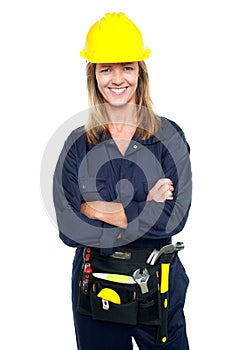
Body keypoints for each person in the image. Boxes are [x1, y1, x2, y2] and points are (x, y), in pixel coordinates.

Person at [53, 12, 192, 350]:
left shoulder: (169, 138)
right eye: (106, 68)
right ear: (94, 75)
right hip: (95, 288)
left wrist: (96, 208)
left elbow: (175, 218)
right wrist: (146, 206)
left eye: (127, 67)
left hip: (157, 288)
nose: (118, 79)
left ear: (140, 73)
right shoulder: (76, 144)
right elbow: (70, 230)